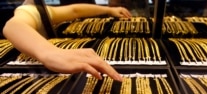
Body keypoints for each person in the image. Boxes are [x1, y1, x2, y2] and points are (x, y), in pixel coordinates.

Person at [3, 0, 131, 82]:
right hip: (35, 78)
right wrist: (50, 53)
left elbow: (74, 10)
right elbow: (13, 26)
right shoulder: (29, 9)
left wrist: (109, 10)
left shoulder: (41, 8)